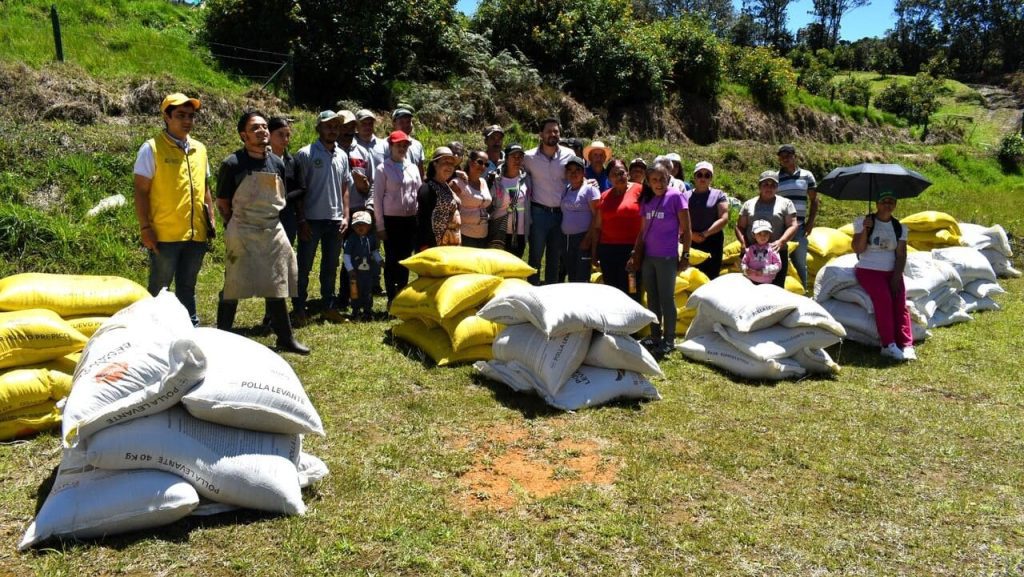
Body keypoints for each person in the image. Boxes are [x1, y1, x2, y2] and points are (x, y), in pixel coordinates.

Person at [214, 111, 308, 354]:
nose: (263, 131)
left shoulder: (277, 162)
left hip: (271, 229)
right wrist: (235, 225)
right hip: (242, 229)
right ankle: (220, 339)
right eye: (255, 128)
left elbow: (280, 196)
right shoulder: (232, 163)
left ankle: (285, 338)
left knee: (276, 283)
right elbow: (223, 202)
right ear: (243, 135)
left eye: (265, 127)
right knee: (233, 284)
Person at [132, 92, 214, 327]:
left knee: (187, 287)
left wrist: (210, 217)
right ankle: (153, 332)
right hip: (164, 235)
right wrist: (145, 227)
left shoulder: (200, 148)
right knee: (160, 290)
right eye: (180, 115)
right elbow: (141, 191)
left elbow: (205, 187)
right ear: (167, 117)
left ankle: (190, 328)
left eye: (190, 116)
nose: (187, 121)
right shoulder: (152, 149)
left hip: (195, 233)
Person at [627, 163, 691, 356]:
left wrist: (686, 254)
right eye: (654, 179)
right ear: (648, 181)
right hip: (648, 256)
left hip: (666, 257)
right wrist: (635, 252)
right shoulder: (646, 199)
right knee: (652, 298)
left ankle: (669, 340)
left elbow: (687, 230)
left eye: (662, 179)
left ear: (668, 178)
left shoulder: (675, 196)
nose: (659, 183)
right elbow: (642, 230)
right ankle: (655, 336)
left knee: (666, 298)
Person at [294, 110, 351, 325]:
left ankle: (329, 306)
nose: (333, 129)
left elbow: (345, 187)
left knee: (330, 266)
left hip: (335, 220)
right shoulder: (306, 154)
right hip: (311, 219)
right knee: (304, 266)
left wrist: (346, 215)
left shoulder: (342, 155)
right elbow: (299, 190)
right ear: (318, 128)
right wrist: (301, 219)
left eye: (336, 125)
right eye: (328, 125)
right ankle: (299, 308)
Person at [852, 190, 916, 361]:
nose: (887, 204)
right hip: (868, 270)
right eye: (884, 201)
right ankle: (888, 344)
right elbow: (858, 249)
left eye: (891, 201)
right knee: (884, 300)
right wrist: (865, 230)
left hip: (892, 271)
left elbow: (901, 254)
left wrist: (896, 276)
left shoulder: (899, 227)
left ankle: (906, 344)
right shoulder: (863, 222)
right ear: (877, 204)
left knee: (900, 303)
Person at [523, 117, 575, 284]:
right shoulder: (529, 157)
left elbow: (576, 177)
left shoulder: (569, 154)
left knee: (555, 258)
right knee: (535, 257)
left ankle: (551, 294)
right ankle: (532, 292)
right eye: (549, 131)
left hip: (561, 214)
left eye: (556, 131)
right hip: (539, 214)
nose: (553, 134)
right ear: (541, 134)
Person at [375, 130, 422, 304]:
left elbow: (418, 192)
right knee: (392, 259)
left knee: (405, 259)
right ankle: (391, 298)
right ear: (391, 146)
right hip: (391, 220)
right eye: (398, 145)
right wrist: (380, 226)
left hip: (409, 220)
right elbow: (377, 198)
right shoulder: (382, 168)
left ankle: (401, 296)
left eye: (404, 145)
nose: (402, 148)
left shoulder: (412, 167)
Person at [735, 170, 798, 288]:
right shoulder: (749, 204)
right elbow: (740, 227)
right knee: (749, 289)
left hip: (775, 253)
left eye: (773, 185)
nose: (769, 187)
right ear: (759, 186)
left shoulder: (786, 203)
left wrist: (781, 242)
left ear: (777, 187)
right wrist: (743, 243)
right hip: (751, 253)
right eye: (765, 184)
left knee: (776, 289)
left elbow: (793, 225)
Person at [593, 159, 643, 297]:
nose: (619, 177)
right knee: (612, 290)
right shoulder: (604, 196)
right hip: (608, 251)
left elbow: (647, 223)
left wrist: (637, 252)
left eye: (621, 173)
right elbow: (597, 227)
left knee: (632, 288)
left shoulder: (640, 190)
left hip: (632, 251)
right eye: (614, 175)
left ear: (627, 173)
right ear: (609, 178)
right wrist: (594, 252)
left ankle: (635, 317)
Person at [776, 143, 818, 291]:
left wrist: (811, 222)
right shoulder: (776, 178)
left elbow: (814, 200)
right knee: (779, 262)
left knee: (800, 263)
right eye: (782, 157)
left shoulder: (807, 176)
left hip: (800, 228)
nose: (785, 159)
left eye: (788, 156)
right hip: (781, 228)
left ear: (795, 157)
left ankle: (804, 292)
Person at [686, 161, 730, 279]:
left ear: (711, 178)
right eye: (699, 174)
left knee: (711, 275)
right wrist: (691, 235)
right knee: (690, 275)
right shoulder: (685, 196)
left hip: (712, 239)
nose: (703, 178)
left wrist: (705, 233)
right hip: (690, 239)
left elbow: (724, 218)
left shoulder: (719, 195)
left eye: (707, 175)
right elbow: (679, 218)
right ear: (694, 177)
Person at [561, 156, 601, 282]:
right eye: (570, 170)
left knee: (582, 276)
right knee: (572, 274)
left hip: (583, 237)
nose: (573, 173)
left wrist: (588, 239)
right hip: (567, 239)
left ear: (583, 172)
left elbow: (597, 216)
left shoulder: (590, 189)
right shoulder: (567, 189)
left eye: (577, 170)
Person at [416, 147, 462, 250]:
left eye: (452, 164)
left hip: (450, 245)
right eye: (445, 162)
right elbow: (422, 220)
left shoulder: (447, 187)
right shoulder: (427, 188)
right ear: (435, 164)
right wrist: (424, 246)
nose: (449, 166)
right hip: (434, 247)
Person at [490, 144, 529, 255]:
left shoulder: (527, 179)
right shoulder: (496, 179)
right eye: (513, 156)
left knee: (515, 268)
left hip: (519, 233)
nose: (517, 160)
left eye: (520, 157)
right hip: (499, 229)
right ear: (506, 159)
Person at [343, 211, 383, 322]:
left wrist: (380, 261)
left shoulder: (371, 238)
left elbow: (374, 251)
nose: (360, 227)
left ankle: (367, 311)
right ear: (353, 226)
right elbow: (346, 255)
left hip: (368, 273)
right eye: (357, 224)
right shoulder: (351, 239)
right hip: (355, 273)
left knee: (367, 291)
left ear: (369, 226)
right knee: (355, 292)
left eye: (363, 224)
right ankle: (355, 311)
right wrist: (350, 269)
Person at [452, 150, 492, 248]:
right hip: (465, 234)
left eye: (486, 164)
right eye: (480, 162)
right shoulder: (458, 183)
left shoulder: (483, 181)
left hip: (483, 234)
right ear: (470, 162)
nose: (483, 166)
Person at [741, 220, 782, 285]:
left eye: (766, 233)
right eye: (759, 233)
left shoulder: (773, 248)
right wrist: (746, 270)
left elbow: (778, 265)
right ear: (754, 235)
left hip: (766, 283)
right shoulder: (750, 249)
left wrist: (765, 271)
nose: (763, 236)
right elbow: (743, 262)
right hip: (749, 281)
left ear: (770, 234)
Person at [391, 107, 425, 178]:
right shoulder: (387, 144)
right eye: (401, 122)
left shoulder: (417, 145)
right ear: (394, 124)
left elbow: (421, 172)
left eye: (408, 122)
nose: (405, 125)